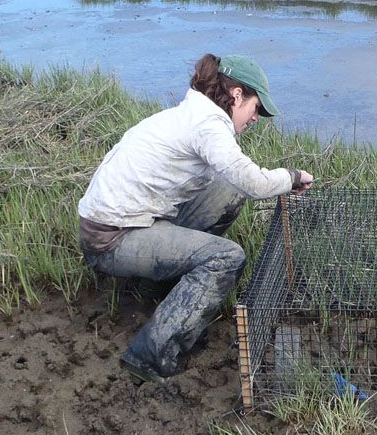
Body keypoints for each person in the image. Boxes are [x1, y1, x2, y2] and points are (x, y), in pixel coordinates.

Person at [78, 54, 313, 384]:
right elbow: (256, 182)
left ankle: (160, 290)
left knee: (229, 191)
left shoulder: (196, 113)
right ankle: (151, 355)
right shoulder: (208, 124)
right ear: (236, 95)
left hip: (136, 220)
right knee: (227, 258)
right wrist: (291, 176)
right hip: (111, 238)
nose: (256, 118)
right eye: (256, 107)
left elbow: (237, 181)